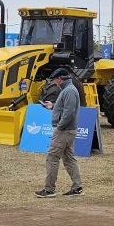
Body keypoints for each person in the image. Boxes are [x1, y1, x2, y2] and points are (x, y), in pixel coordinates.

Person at [35, 68, 83, 198]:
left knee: (52, 158)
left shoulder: (69, 91)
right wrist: (53, 105)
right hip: (67, 130)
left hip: (64, 130)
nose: (55, 83)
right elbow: (65, 107)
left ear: (60, 79)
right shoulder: (69, 90)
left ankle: (49, 189)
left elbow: (69, 112)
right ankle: (77, 187)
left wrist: (59, 127)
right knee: (68, 159)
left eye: (55, 80)